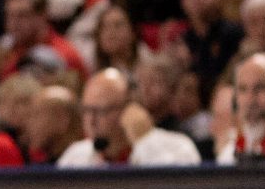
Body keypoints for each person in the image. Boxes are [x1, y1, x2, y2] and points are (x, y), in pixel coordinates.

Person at [60, 67, 201, 166]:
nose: (91, 120)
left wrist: (144, 143)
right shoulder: (75, 157)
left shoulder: (177, 148)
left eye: (101, 111)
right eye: (87, 110)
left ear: (129, 110)